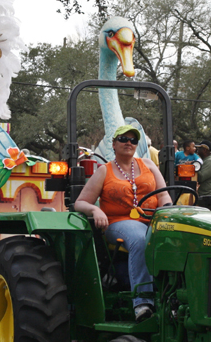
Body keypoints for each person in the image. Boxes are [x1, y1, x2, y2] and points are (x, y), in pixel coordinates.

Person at [74, 125, 172, 322]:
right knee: (139, 237)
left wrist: (168, 213)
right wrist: (95, 209)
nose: (129, 143)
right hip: (119, 223)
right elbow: (80, 202)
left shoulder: (149, 165)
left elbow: (164, 196)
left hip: (152, 220)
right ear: (114, 144)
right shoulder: (104, 171)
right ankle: (143, 304)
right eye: (123, 139)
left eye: (133, 140)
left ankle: (173, 298)